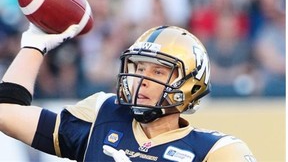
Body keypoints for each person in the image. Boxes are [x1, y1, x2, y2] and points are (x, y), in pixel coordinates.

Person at [0, 24, 256, 161]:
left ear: (190, 83)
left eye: (157, 72)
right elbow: (6, 112)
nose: (141, 80)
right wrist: (34, 46)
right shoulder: (103, 116)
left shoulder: (216, 151)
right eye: (139, 68)